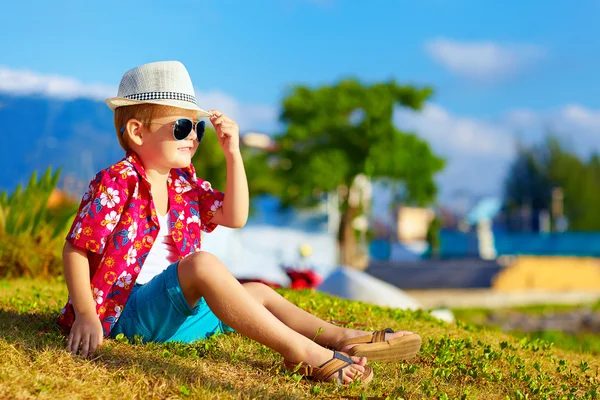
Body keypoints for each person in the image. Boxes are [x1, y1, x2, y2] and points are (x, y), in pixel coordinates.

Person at [56, 61, 421, 385]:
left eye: (197, 127)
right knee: (202, 264)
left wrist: (233, 153)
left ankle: (341, 336)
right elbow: (76, 249)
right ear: (137, 132)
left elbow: (235, 215)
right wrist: (87, 315)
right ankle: (302, 352)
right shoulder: (117, 181)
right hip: (126, 315)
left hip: (173, 316)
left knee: (259, 292)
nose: (194, 137)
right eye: (182, 127)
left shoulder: (184, 184)